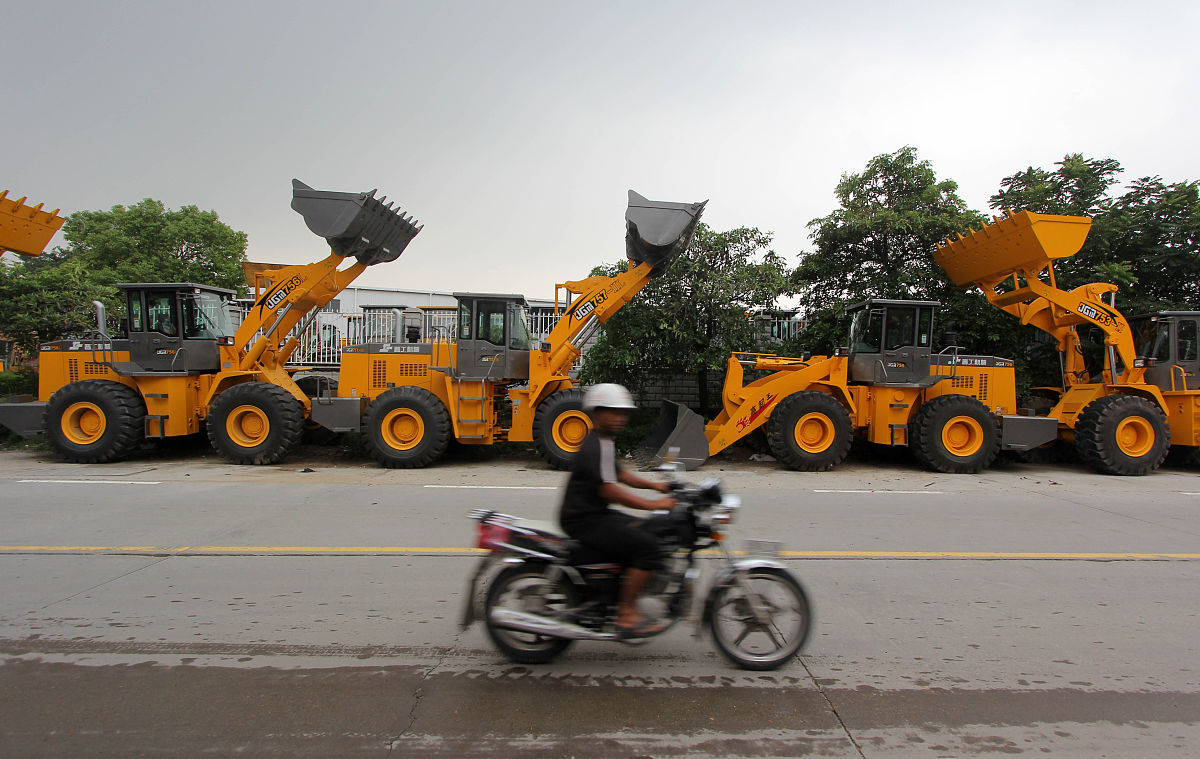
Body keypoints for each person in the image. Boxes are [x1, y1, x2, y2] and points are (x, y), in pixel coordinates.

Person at [559, 383, 675, 637]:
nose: (620, 418)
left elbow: (620, 474)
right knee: (648, 547)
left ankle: (616, 592)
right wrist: (654, 504)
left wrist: (657, 487)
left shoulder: (604, 440)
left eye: (623, 413)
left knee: (646, 530)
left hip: (594, 514)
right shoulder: (594, 446)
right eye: (614, 412)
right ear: (597, 413)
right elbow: (610, 490)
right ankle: (625, 614)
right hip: (584, 519)